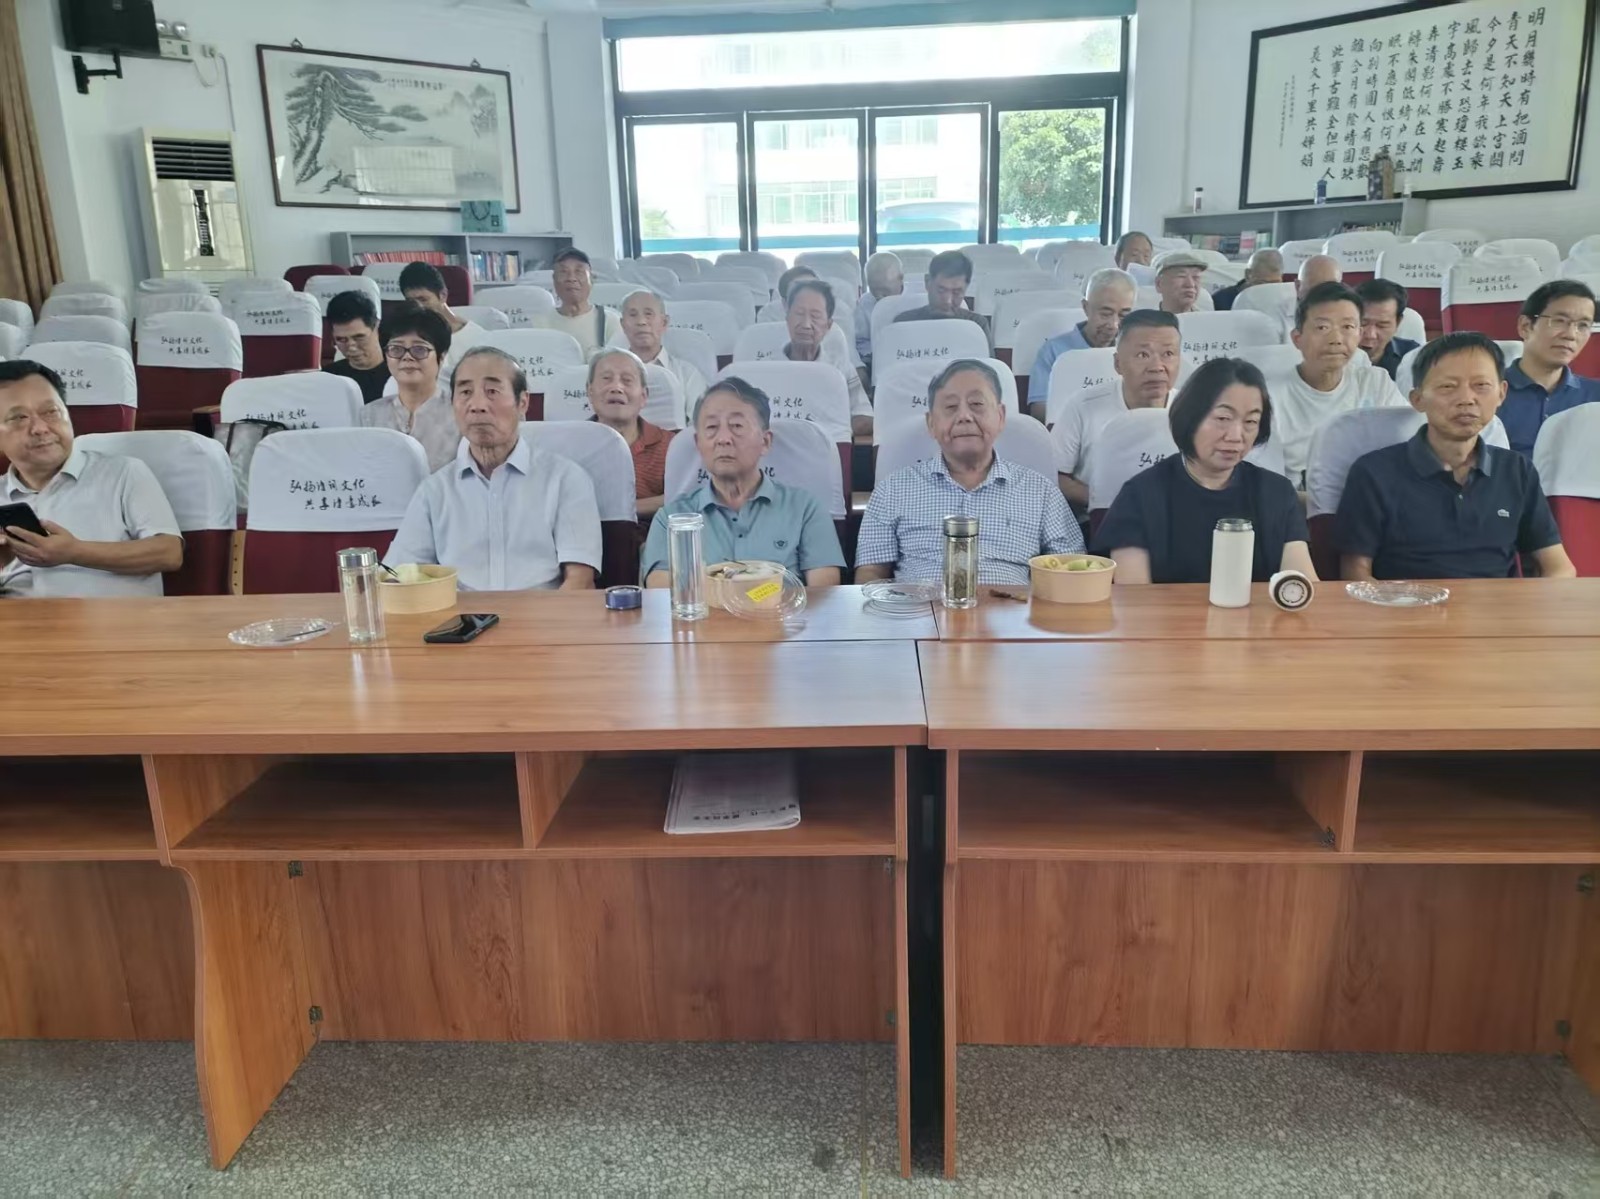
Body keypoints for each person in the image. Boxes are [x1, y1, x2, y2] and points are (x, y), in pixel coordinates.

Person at [1336, 332, 1574, 581]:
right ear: (1417, 399)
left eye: (1481, 386)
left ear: (1502, 393)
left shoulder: (1517, 470)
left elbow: (1559, 567)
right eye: (1448, 387)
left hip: (1499, 605)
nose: (1466, 399)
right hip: (1408, 603)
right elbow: (1355, 574)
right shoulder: (1374, 472)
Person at [387, 346, 601, 591]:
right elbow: (398, 575)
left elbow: (580, 581)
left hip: (543, 611)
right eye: (465, 392)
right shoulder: (434, 491)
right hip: (457, 614)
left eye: (492, 391)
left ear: (523, 403)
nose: (477, 405)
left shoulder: (565, 479)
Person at [855, 359, 1084, 586]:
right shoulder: (893, 489)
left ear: (1000, 416)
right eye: (950, 407)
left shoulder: (1040, 491)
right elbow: (871, 572)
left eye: (976, 404)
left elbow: (1073, 569)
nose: (964, 416)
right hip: (920, 607)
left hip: (1013, 607)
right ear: (931, 423)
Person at [1096, 357, 1315, 585]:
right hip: (1167, 610)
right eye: (1223, 418)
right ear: (1191, 417)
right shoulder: (1140, 495)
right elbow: (1134, 596)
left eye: (1250, 422)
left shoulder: (1276, 492)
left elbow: (1301, 585)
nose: (1236, 436)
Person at [0, 359, 182, 597]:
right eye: (19, 418)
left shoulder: (123, 472)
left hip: (115, 618)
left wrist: (75, 552)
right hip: (16, 617)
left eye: (51, 412)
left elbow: (169, 553)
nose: (40, 428)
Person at [642, 377, 844, 586]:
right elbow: (661, 593)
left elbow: (824, 591)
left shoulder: (805, 509)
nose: (723, 439)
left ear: (765, 442)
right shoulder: (671, 519)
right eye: (711, 427)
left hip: (784, 609)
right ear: (698, 443)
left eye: (737, 426)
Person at [1274, 280, 1406, 483]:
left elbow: (1408, 446)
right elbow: (1265, 485)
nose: (1336, 339)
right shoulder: (1270, 397)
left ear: (1359, 334)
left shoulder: (1376, 383)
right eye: (1322, 327)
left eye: (1347, 327)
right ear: (1297, 338)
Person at [1052, 311, 1183, 508]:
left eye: (1168, 354)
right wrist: (1105, 501)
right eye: (1143, 355)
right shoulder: (1083, 406)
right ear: (1118, 363)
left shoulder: (1195, 410)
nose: (1157, 367)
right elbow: (1054, 475)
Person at [1501, 279, 1600, 458]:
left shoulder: (1596, 397)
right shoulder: (1487, 393)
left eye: (1583, 325)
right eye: (1559, 321)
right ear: (1525, 326)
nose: (1571, 335)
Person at [1027, 267, 1138, 418]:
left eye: (1123, 316)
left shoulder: (1134, 350)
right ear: (1086, 308)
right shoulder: (1054, 351)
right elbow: (1039, 409)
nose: (1114, 325)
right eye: (1105, 314)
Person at [361, 307, 460, 472]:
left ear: (441, 357)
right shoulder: (368, 415)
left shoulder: (460, 413)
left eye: (419, 349)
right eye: (396, 349)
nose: (407, 357)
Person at [783, 279, 871, 437]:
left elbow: (865, 416)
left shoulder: (840, 367)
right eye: (799, 314)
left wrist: (825, 430)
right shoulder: (766, 369)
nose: (806, 324)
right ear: (787, 318)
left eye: (815, 316)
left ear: (828, 325)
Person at [587, 348, 669, 517]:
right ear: (590, 391)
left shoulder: (670, 446)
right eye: (606, 379)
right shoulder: (569, 445)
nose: (616, 387)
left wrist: (623, 510)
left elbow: (685, 499)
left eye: (627, 380)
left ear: (643, 396)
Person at [619, 288, 707, 421]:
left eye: (648, 314)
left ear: (664, 323)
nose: (641, 321)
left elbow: (699, 425)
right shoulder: (611, 376)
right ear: (623, 325)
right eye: (633, 315)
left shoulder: (688, 375)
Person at [398, 261, 489, 374]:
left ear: (443, 295)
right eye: (412, 301)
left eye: (423, 300)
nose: (419, 307)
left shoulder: (476, 337)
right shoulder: (409, 337)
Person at [892, 250, 992, 349]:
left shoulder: (977, 326)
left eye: (956, 292)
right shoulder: (903, 324)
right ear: (927, 282)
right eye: (941, 290)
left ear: (966, 288)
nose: (947, 301)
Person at [536, 247, 621, 357]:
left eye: (579, 272)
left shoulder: (610, 321)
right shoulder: (540, 323)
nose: (571, 278)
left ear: (592, 279)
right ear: (554, 280)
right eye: (563, 272)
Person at [323, 291, 391, 402]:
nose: (351, 347)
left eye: (359, 337)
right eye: (341, 340)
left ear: (376, 328)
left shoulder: (401, 372)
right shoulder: (328, 378)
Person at [1354, 278, 1419, 380]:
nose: (1370, 335)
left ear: (1398, 322)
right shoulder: (1333, 353)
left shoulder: (1413, 357)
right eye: (1363, 323)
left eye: (1382, 325)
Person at [857, 251, 904, 363]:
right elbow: (860, 340)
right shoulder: (864, 304)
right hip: (876, 358)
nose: (879, 295)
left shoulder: (915, 299)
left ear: (900, 279)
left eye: (884, 290)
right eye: (873, 289)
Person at [1209, 248, 1284, 311]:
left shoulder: (1285, 300)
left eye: (1275, 284)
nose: (1268, 288)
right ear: (1248, 275)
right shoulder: (1221, 301)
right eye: (1262, 283)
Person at [1152, 250, 1208, 314]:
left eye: (1196, 277)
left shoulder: (1208, 319)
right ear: (1159, 284)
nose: (1190, 284)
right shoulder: (1146, 319)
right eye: (1181, 276)